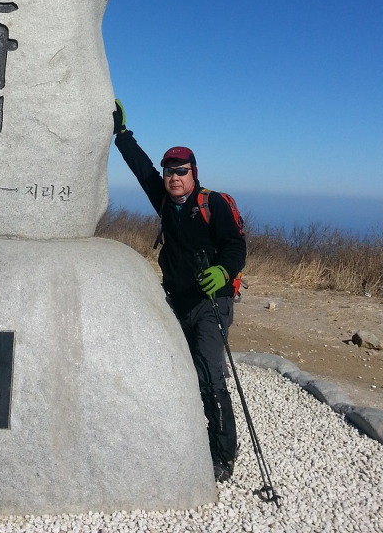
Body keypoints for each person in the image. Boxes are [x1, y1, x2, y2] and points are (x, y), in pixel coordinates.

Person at [113, 100, 246, 483]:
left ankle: (223, 455)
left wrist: (224, 271)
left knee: (209, 375)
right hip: (177, 300)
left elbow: (236, 245)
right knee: (181, 370)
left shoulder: (213, 203)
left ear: (193, 173)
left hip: (212, 303)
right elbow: (142, 169)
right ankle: (187, 435)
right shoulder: (164, 200)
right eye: (169, 171)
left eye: (181, 171)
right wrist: (122, 135)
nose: (173, 177)